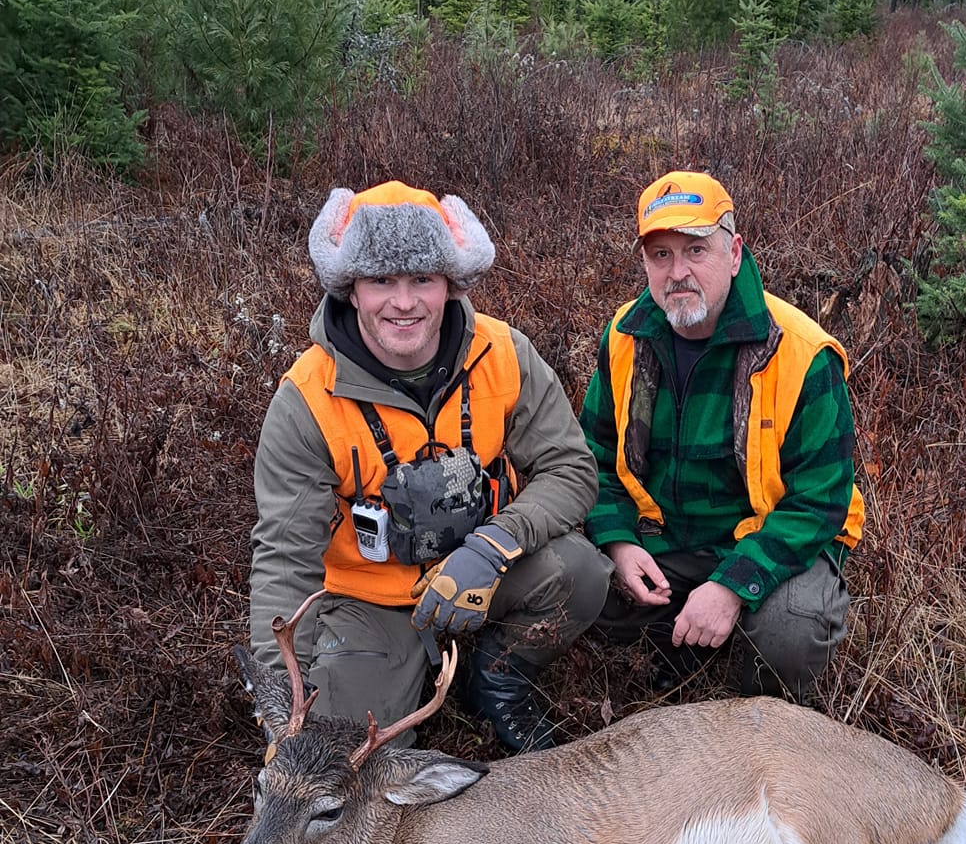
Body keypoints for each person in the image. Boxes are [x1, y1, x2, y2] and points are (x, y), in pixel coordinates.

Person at [250, 180, 610, 751]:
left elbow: (570, 468)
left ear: (450, 283)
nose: (404, 302)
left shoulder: (504, 354)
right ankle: (392, 669)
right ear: (351, 290)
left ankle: (496, 673)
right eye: (380, 281)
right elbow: (284, 558)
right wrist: (279, 704)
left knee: (582, 574)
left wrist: (492, 547)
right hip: (370, 602)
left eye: (422, 279)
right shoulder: (306, 399)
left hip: (484, 572)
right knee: (338, 754)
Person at [580, 171, 864, 700]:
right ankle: (680, 641)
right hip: (665, 540)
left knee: (788, 634)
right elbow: (592, 459)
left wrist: (733, 586)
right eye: (661, 255)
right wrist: (618, 543)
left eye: (696, 250)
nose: (678, 272)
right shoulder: (624, 337)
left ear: (733, 254)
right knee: (573, 586)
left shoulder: (801, 352)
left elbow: (820, 500)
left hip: (770, 537)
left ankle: (754, 710)